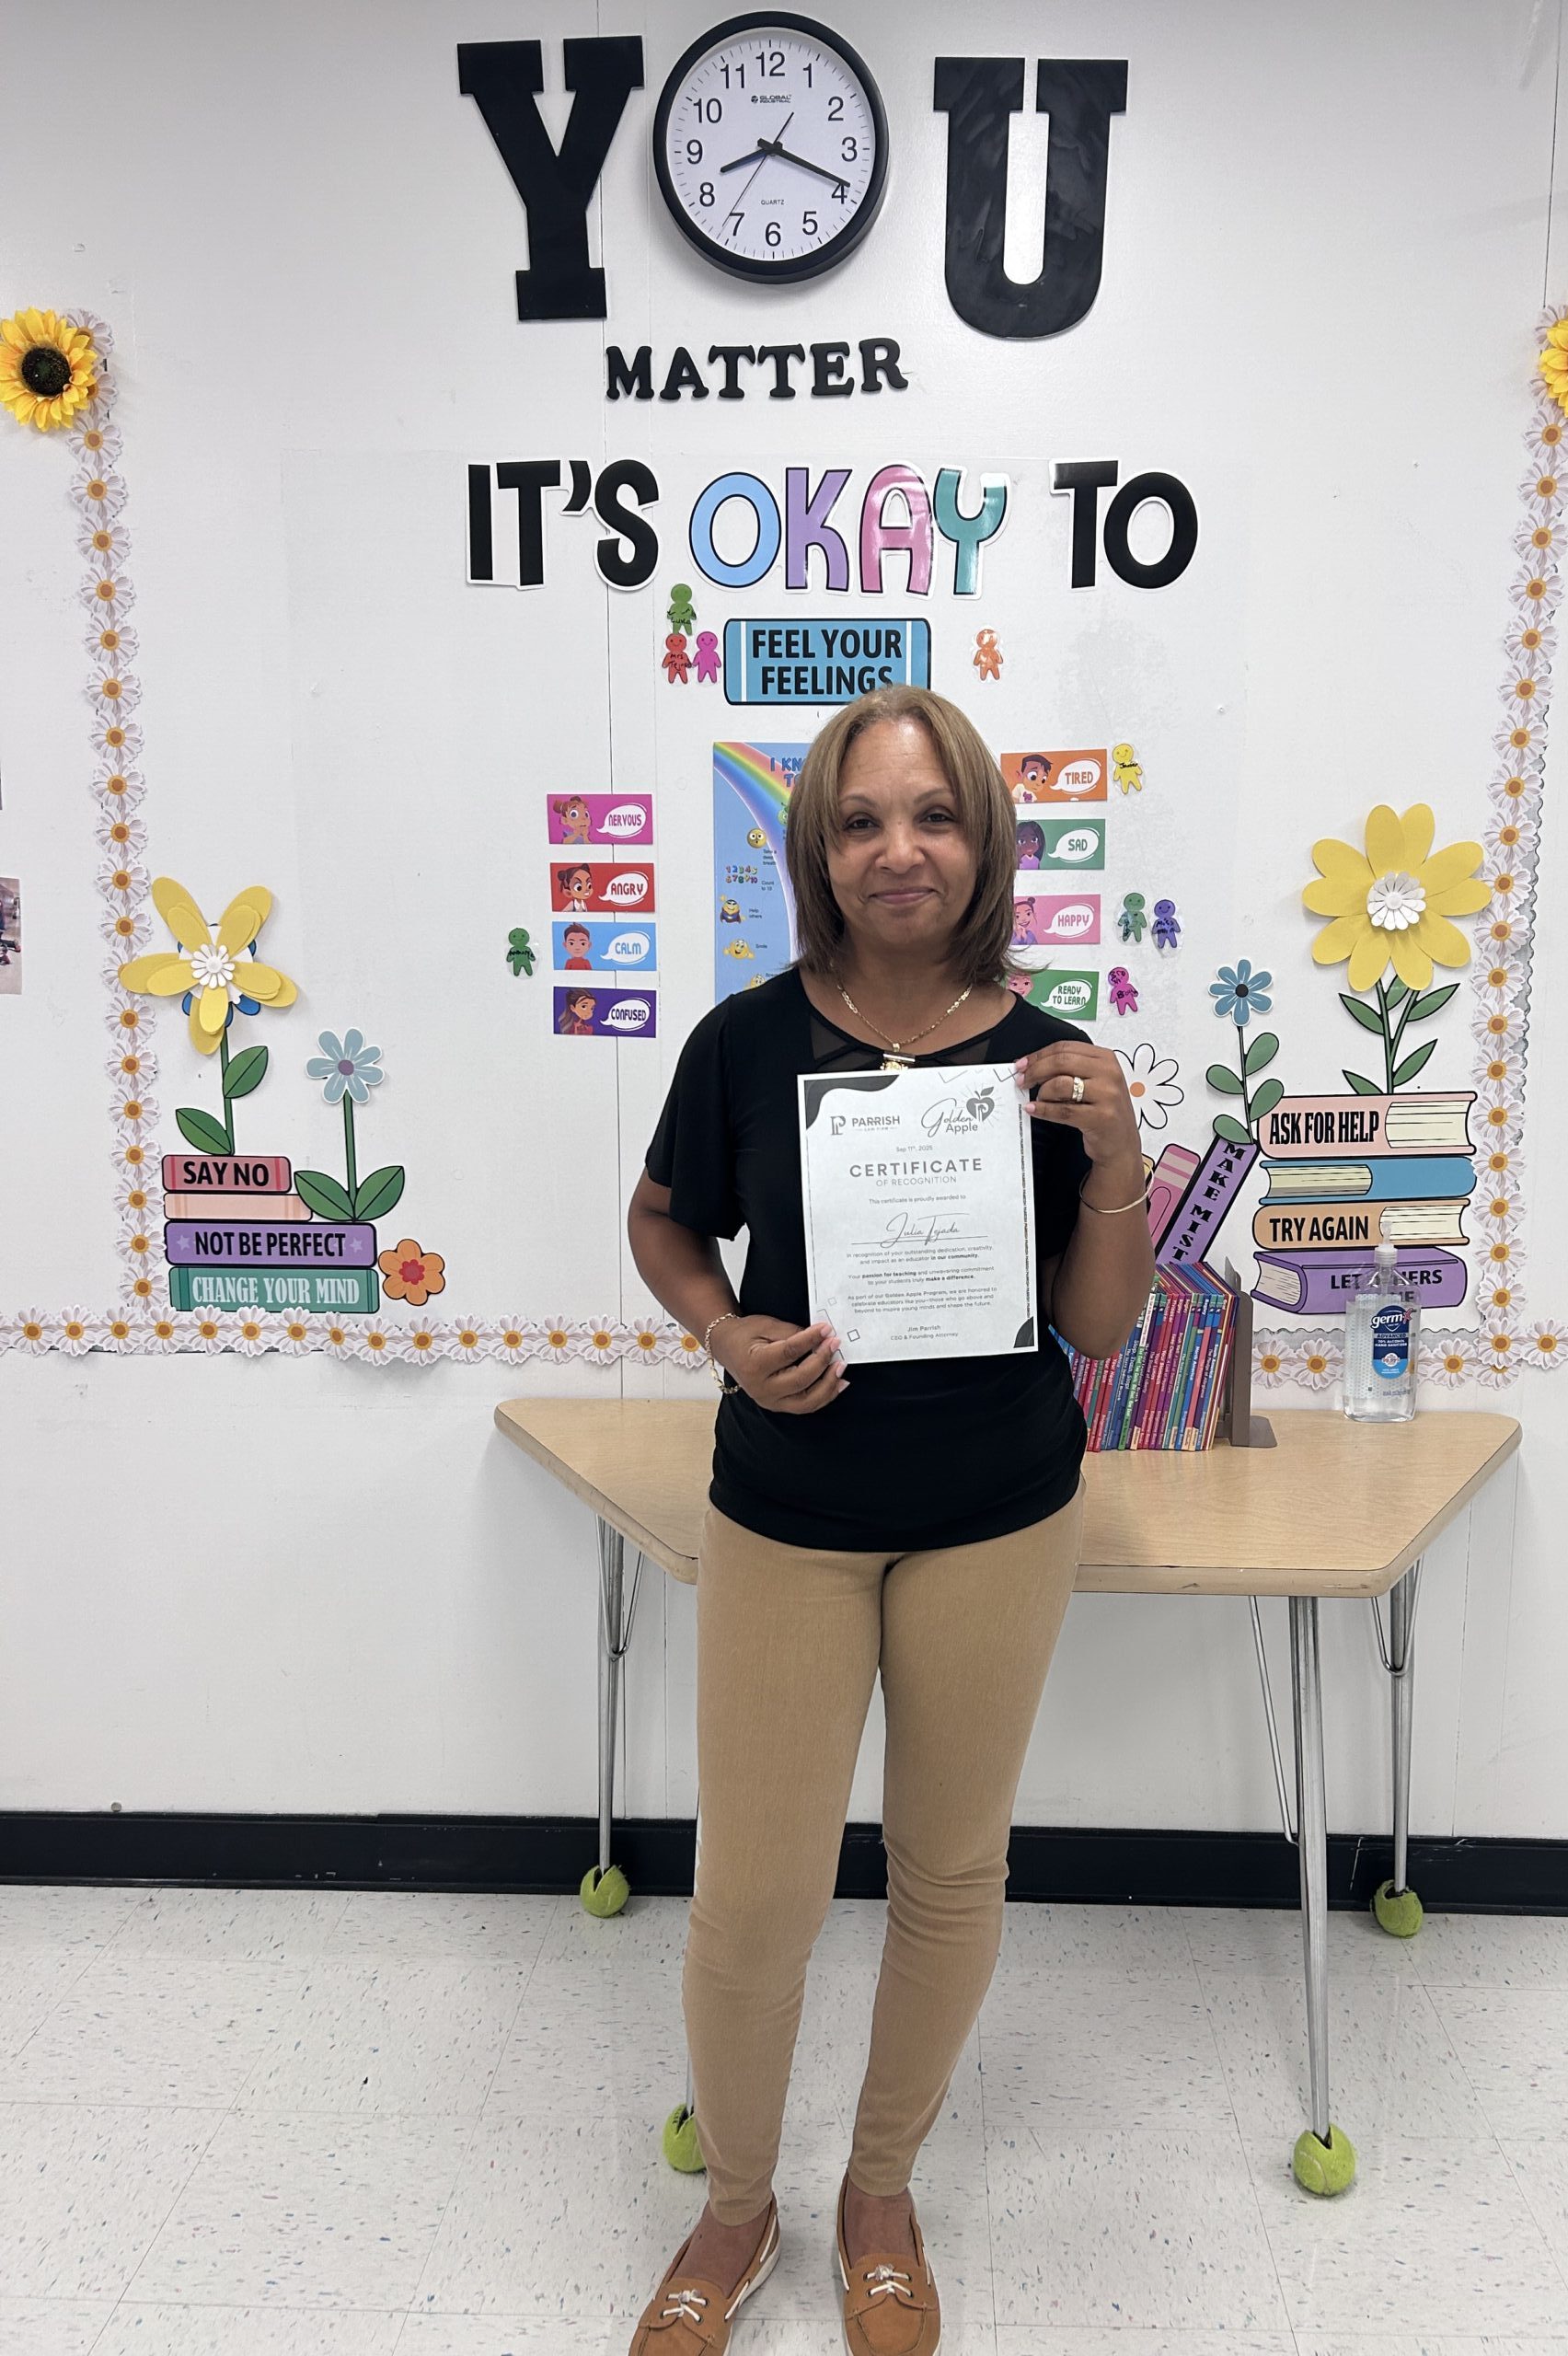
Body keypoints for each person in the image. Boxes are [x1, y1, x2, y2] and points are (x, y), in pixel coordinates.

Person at [626, 683, 1153, 2355]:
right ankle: (734, 2209)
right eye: (862, 820)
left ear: (984, 838)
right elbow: (660, 1222)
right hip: (788, 1506)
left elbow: (1101, 1329)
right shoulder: (745, 1042)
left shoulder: (1049, 1064)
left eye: (932, 816)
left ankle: (878, 2190)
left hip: (997, 1510)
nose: (898, 849)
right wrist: (723, 1335)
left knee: (947, 1870)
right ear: (819, 849)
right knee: (756, 1896)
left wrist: (1122, 1146)